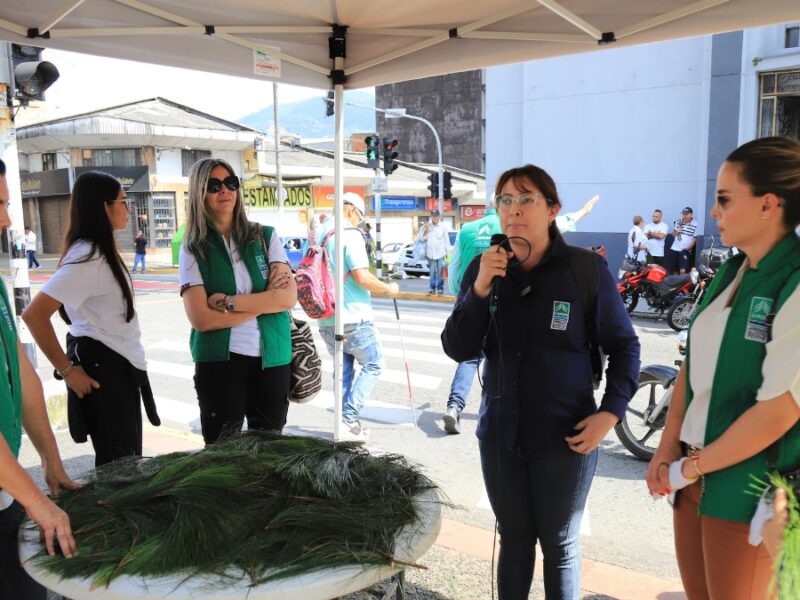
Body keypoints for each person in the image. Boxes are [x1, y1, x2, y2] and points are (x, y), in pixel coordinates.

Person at [442, 164, 640, 599]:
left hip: (566, 437)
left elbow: (625, 346)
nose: (513, 210)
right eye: (504, 200)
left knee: (560, 543)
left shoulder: (584, 270)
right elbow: (458, 347)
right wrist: (478, 289)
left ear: (552, 209)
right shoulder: (484, 268)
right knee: (513, 539)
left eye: (525, 199)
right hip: (500, 436)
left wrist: (610, 412)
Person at [646, 136, 800, 600]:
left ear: (768, 205)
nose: (713, 212)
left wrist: (691, 468)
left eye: (724, 199)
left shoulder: (793, 280)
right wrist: (667, 449)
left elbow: (779, 410)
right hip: (695, 482)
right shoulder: (733, 271)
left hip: (751, 494)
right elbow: (692, 368)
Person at [23, 171, 159, 467]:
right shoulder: (89, 257)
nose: (128, 208)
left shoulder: (98, 251)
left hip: (117, 365)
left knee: (123, 466)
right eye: (123, 202)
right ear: (104, 207)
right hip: (105, 370)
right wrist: (68, 371)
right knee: (119, 473)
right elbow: (34, 315)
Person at [0, 158, 78, 599]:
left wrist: (49, 457)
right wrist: (36, 501)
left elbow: (20, 370)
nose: (8, 219)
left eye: (7, 204)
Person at [179, 158, 296, 446]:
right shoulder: (193, 247)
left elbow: (287, 297)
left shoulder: (265, 237)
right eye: (214, 185)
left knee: (269, 451)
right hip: (220, 362)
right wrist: (263, 303)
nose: (225, 191)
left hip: (273, 359)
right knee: (223, 454)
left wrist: (229, 302)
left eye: (231, 183)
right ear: (198, 193)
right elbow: (202, 320)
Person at [317, 192, 400, 442]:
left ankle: (342, 424)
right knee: (374, 363)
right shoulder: (349, 234)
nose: (360, 223)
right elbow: (362, 277)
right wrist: (389, 289)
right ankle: (349, 417)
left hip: (326, 317)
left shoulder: (320, 232)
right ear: (352, 210)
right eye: (361, 218)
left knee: (342, 370)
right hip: (353, 316)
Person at [443, 201, 501, 434]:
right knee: (501, 357)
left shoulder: (466, 229)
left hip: (471, 297)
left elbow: (455, 265)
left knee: (469, 357)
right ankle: (495, 412)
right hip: (501, 300)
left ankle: (454, 406)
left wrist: (458, 292)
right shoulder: (509, 227)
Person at [416, 209, 451, 295]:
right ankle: (432, 288)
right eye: (433, 216)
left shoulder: (443, 227)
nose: (434, 218)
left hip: (441, 254)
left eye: (436, 216)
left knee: (440, 272)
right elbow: (420, 238)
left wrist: (448, 257)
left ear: (439, 216)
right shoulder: (427, 225)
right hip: (430, 254)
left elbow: (447, 242)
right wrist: (426, 231)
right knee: (432, 272)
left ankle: (440, 288)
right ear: (431, 216)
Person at [670, 206, 699, 274]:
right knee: (674, 269)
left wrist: (687, 249)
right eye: (683, 214)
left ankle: (681, 282)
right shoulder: (679, 221)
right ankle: (675, 283)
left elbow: (694, 239)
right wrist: (677, 231)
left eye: (686, 214)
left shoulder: (696, 224)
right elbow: (673, 235)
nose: (684, 216)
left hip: (685, 249)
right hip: (675, 248)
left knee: (682, 269)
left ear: (691, 214)